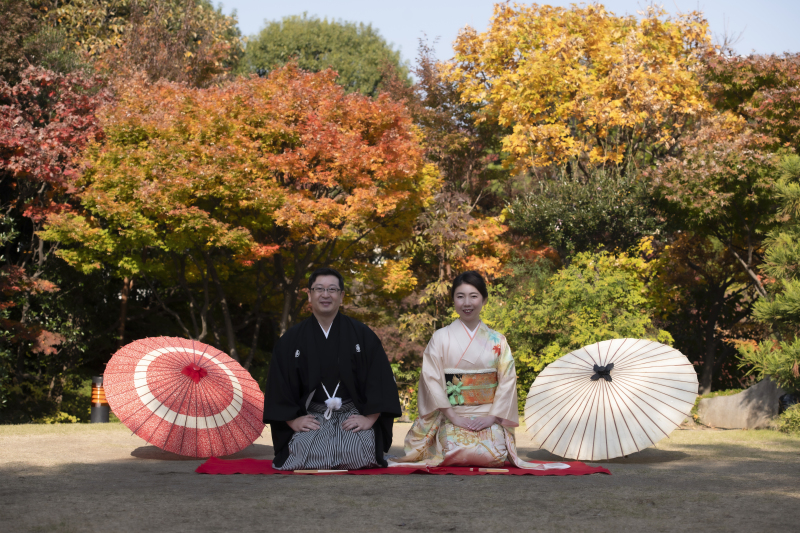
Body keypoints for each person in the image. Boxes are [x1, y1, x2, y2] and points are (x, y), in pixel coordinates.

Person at [392, 271, 568, 470]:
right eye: (460, 296)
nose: (467, 303)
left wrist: (491, 418)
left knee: (495, 452)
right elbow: (431, 379)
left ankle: (490, 428)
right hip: (452, 413)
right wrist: (454, 417)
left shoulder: (498, 340)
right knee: (452, 447)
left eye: (473, 296)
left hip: (488, 414)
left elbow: (507, 380)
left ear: (484, 300)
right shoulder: (440, 338)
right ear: (453, 300)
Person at [263, 267, 402, 470]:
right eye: (319, 289)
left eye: (332, 289)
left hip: (350, 412)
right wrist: (293, 420)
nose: (325, 295)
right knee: (304, 451)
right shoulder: (292, 339)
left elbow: (379, 378)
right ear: (309, 295)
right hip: (313, 414)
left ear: (341, 296)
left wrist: (369, 418)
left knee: (356, 452)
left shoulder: (362, 335)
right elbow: (279, 384)